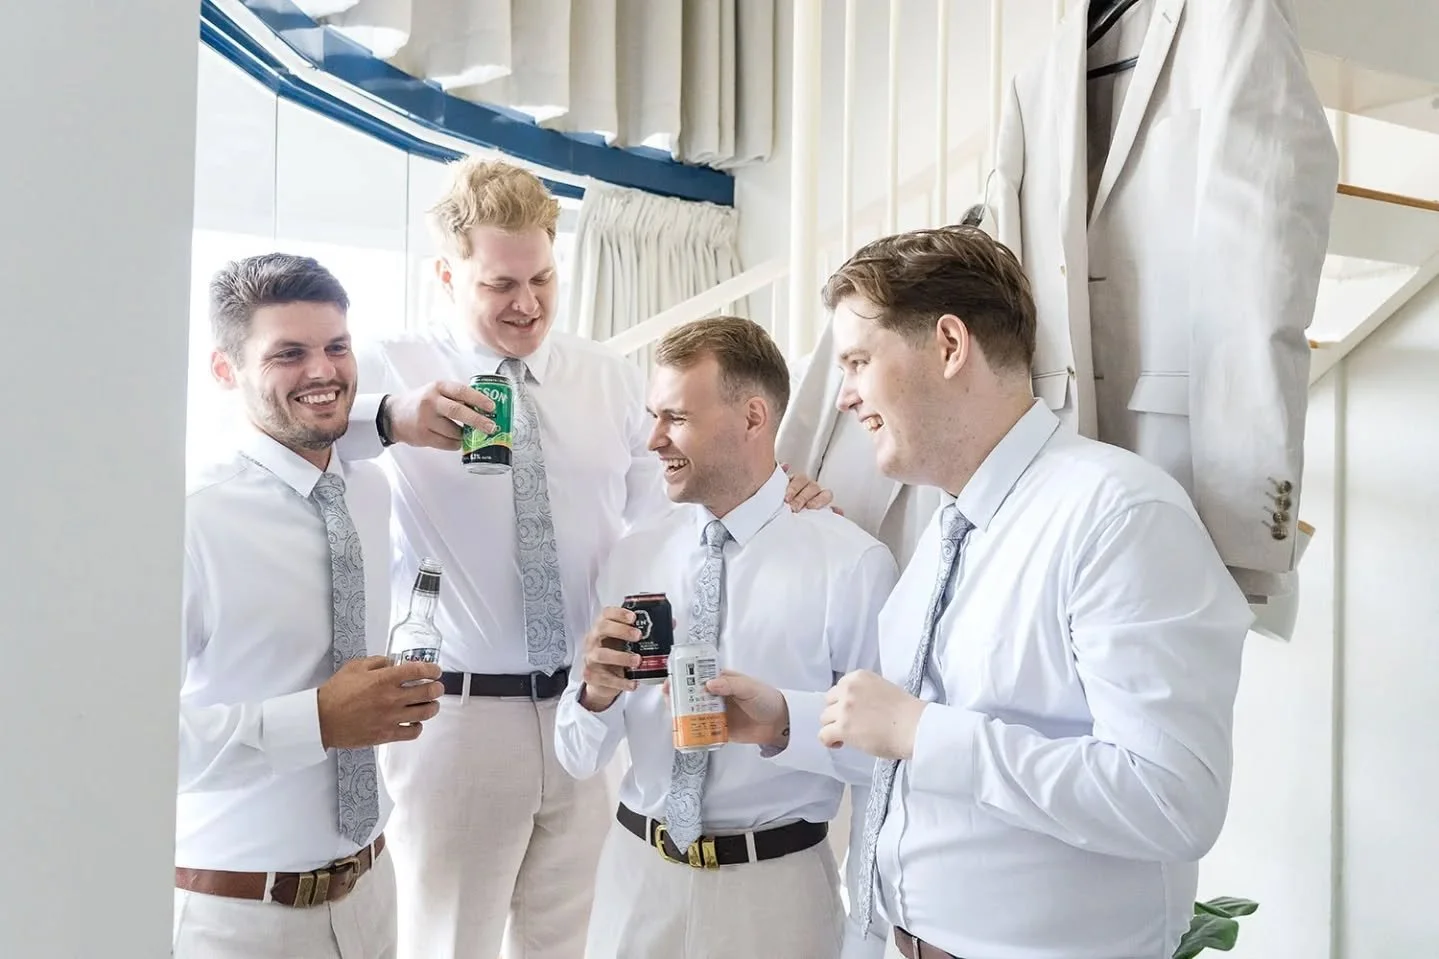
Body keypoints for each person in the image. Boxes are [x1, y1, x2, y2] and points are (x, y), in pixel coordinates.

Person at [334, 157, 833, 959]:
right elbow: (297, 431)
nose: (526, 303)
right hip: (458, 719)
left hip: (588, 713)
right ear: (446, 275)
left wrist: (778, 489)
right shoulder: (395, 367)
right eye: (500, 283)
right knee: (446, 945)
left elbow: (675, 510)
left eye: (542, 278)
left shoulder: (606, 378)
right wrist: (391, 416)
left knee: (572, 944)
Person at [714, 226, 1253, 959]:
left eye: (858, 361)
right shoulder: (945, 527)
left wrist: (922, 732)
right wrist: (790, 721)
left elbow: (1170, 798)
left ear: (948, 345)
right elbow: (913, 743)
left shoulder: (1118, 515)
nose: (843, 397)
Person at [553, 316, 897, 959]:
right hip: (636, 886)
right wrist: (594, 696)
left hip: (777, 901)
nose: (653, 439)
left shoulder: (851, 564)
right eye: (653, 416)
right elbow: (576, 757)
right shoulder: (632, 555)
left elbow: (882, 762)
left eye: (676, 418)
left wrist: (783, 723)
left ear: (753, 417)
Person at [175, 253, 444, 959]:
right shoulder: (189, 520)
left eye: (337, 347)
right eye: (288, 353)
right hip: (238, 915)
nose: (323, 371)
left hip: (373, 892)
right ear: (224, 370)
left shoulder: (370, 490)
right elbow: (132, 741)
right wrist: (317, 721)